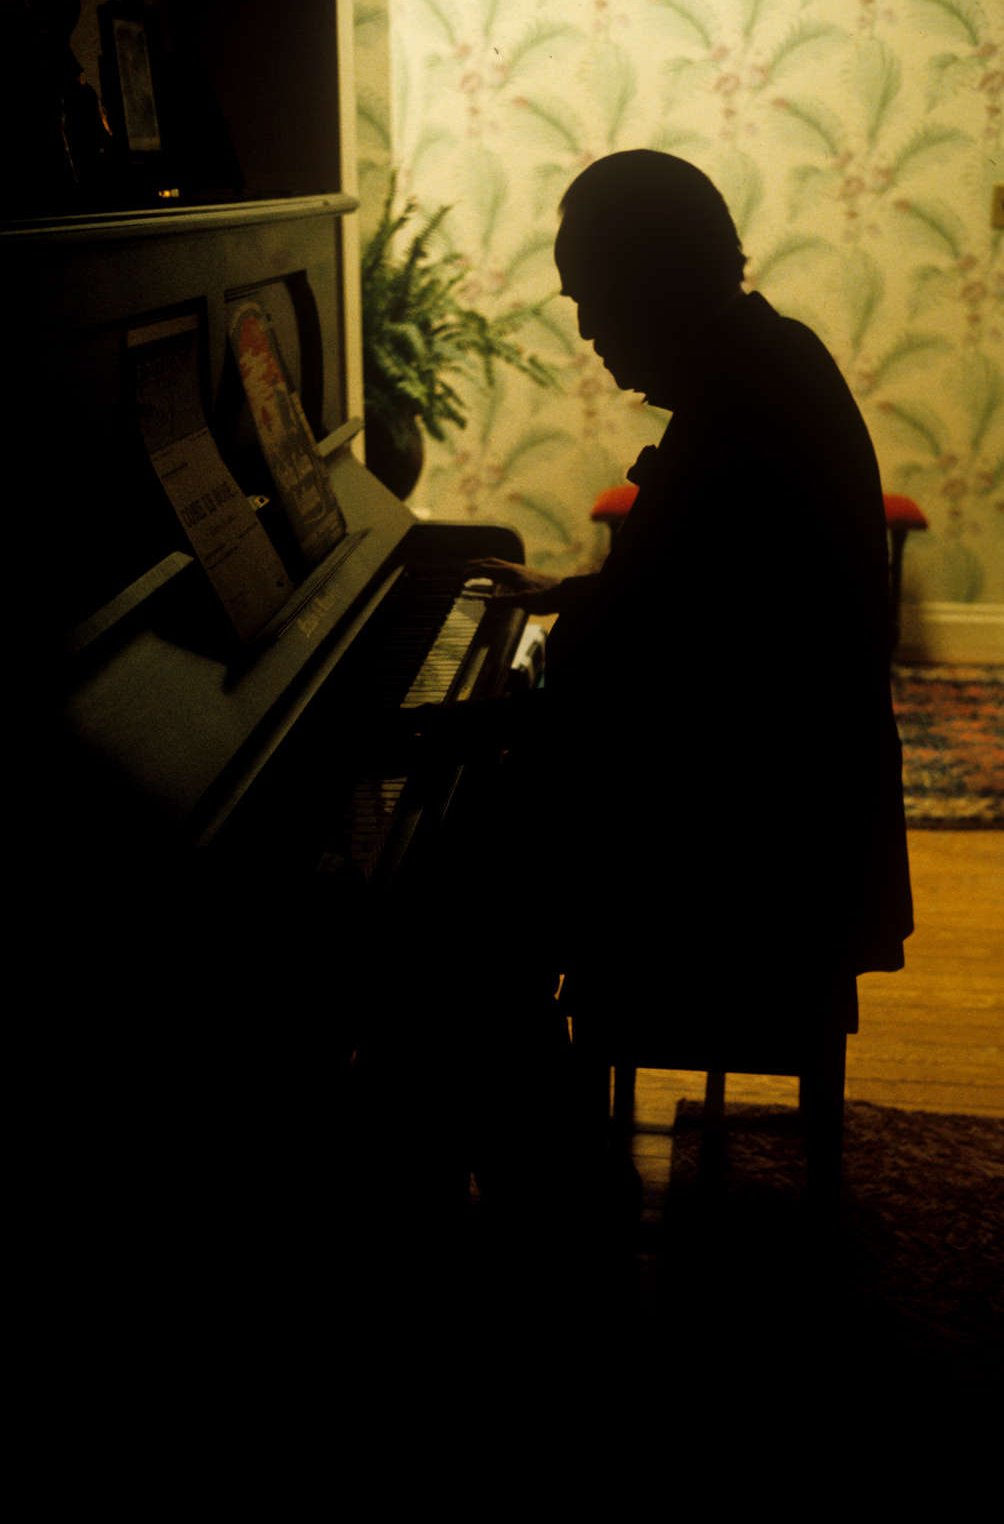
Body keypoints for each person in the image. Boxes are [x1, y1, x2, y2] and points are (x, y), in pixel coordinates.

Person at [361, 151, 913, 1300]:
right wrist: (583, 599)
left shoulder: (736, 412)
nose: (583, 329)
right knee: (463, 866)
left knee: (444, 909)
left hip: (760, 841)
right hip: (778, 786)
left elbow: (652, 686)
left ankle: (550, 1219)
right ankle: (529, 1175)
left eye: (588, 294)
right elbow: (687, 604)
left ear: (655, 276)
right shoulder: (763, 361)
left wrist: (458, 728)